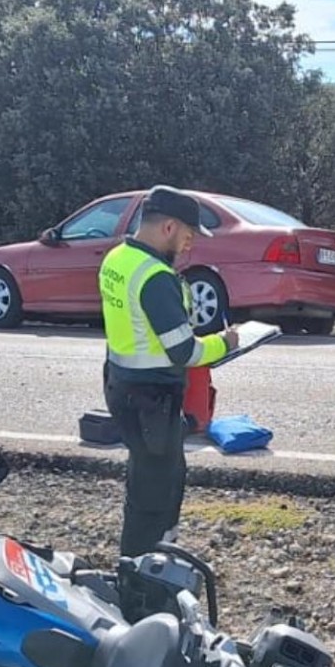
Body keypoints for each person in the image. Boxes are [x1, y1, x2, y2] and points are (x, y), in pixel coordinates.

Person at [100, 185, 238, 555]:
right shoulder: (155, 277)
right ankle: (145, 582)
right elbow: (184, 351)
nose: (190, 246)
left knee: (142, 487)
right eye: (189, 236)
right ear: (169, 228)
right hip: (152, 401)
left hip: (122, 387)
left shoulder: (117, 258)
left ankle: (140, 565)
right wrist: (226, 343)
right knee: (157, 500)